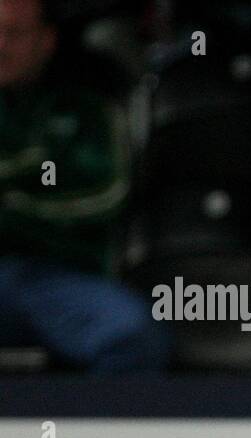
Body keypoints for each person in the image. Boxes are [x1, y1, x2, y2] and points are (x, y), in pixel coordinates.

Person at [0, 0, 167, 371]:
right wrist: (31, 186)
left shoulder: (85, 112)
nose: (1, 45)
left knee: (132, 332)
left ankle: (92, 431)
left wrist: (12, 207)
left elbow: (106, 197)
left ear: (46, 40)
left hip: (59, 277)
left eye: (14, 33)